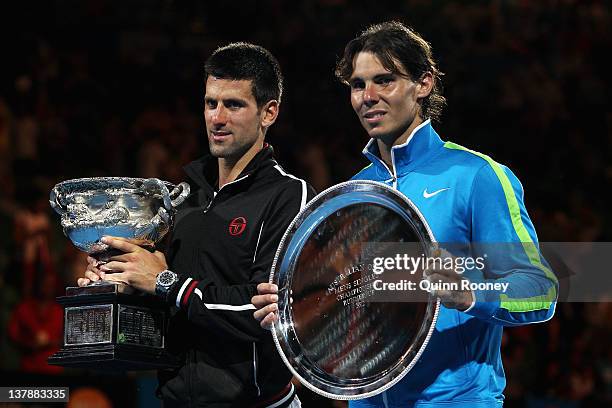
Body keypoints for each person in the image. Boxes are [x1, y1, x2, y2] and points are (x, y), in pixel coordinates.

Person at [253, 22, 558, 407]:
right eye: (358, 85)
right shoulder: (354, 193)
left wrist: (469, 293)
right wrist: (293, 308)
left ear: (424, 83)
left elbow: (540, 289)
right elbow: (350, 305)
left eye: (385, 80)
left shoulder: (476, 176)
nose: (369, 96)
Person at [79, 42, 315, 407]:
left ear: (269, 113)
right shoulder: (181, 198)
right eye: (210, 103)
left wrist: (167, 283)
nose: (217, 118)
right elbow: (167, 299)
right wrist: (123, 280)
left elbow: (265, 311)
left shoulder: (288, 196)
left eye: (233, 105)